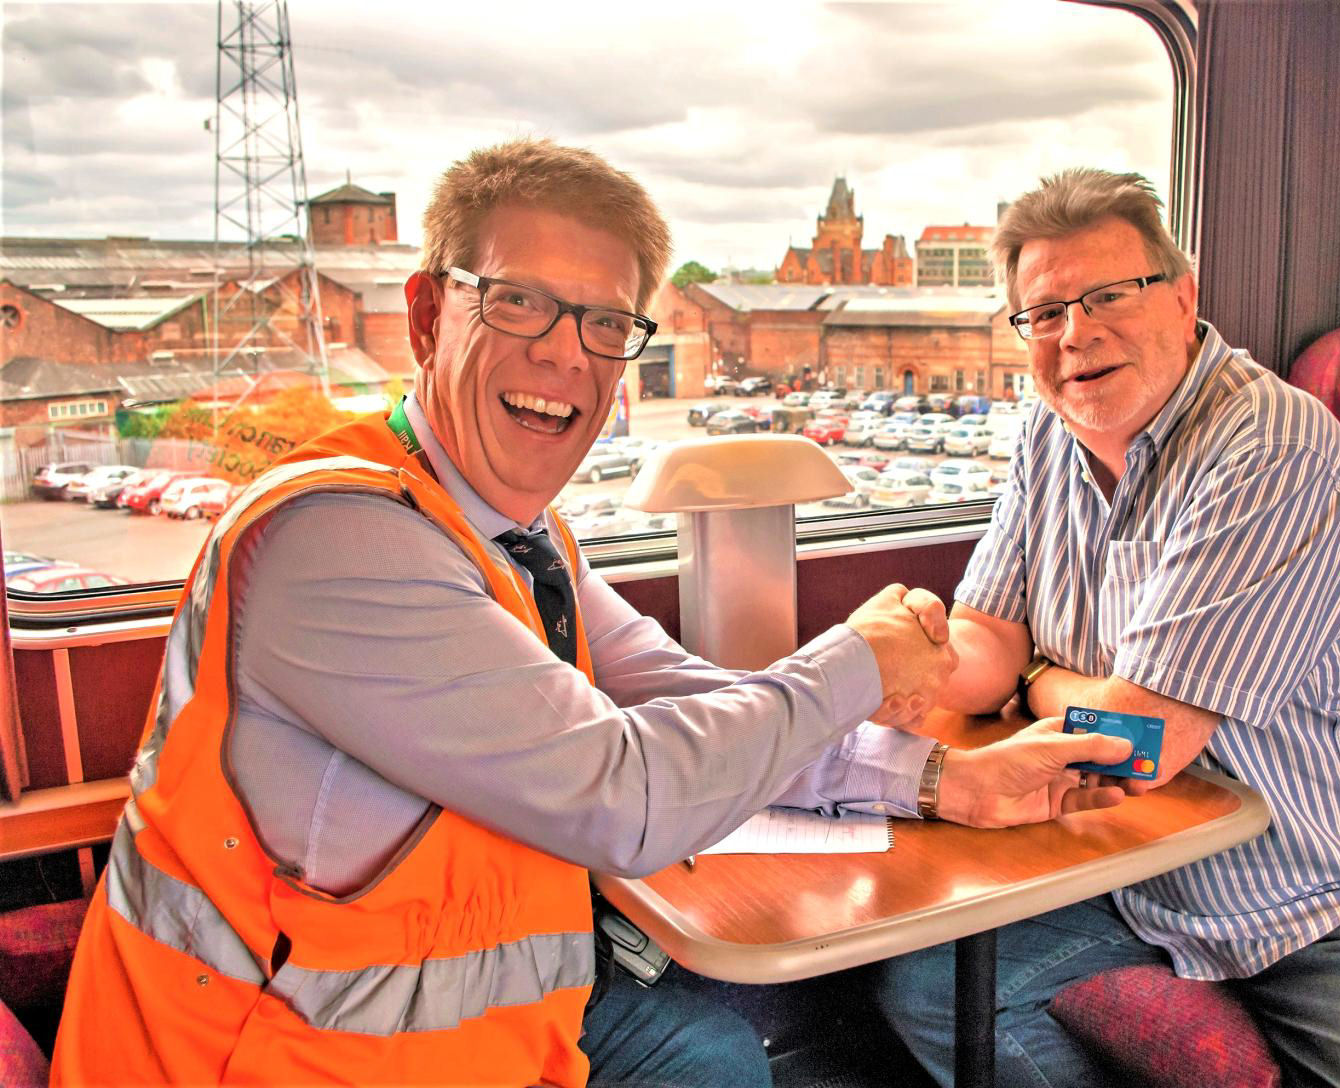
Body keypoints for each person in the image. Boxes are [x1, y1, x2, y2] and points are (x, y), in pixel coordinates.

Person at [51, 139, 1131, 1088]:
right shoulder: (337, 543)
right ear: (427, 316)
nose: (566, 352)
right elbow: (622, 793)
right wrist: (858, 660)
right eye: (519, 301)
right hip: (270, 1057)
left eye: (606, 322)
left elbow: (690, 698)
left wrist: (944, 780)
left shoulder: (516, 535)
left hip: (484, 1033)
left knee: (716, 1052)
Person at [875, 168, 1340, 1088]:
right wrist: (905, 657)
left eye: (1108, 296)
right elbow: (989, 640)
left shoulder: (1269, 443)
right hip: (1129, 868)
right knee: (927, 984)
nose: (1076, 333)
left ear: (1183, 296)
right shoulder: (1048, 433)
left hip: (1324, 886)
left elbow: (1141, 742)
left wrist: (1037, 680)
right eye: (1045, 314)